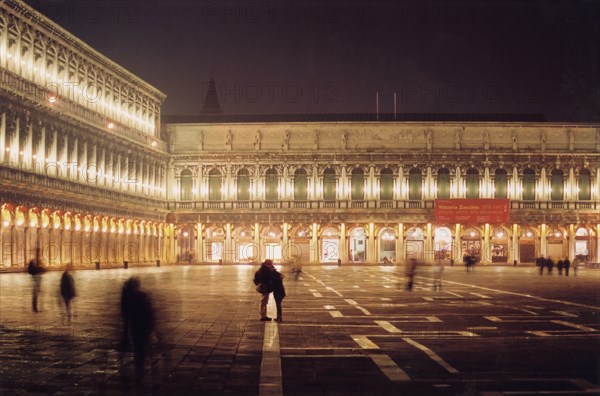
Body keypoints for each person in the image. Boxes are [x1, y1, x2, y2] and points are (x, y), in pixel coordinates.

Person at [120, 277, 155, 382]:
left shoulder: (126, 297)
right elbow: (149, 312)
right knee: (143, 348)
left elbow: (125, 315)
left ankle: (139, 369)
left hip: (134, 327)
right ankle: (143, 369)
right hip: (143, 327)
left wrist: (125, 332)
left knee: (138, 348)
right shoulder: (142, 296)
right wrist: (152, 326)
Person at [27, 248, 44, 312]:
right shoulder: (33, 261)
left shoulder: (38, 261)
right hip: (35, 278)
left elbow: (43, 269)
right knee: (35, 293)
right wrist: (39, 268)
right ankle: (35, 308)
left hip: (38, 278)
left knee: (37, 292)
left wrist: (41, 268)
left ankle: (36, 307)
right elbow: (31, 270)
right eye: (38, 252)